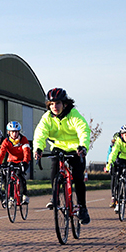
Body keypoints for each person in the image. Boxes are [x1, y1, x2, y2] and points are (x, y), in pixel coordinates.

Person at [33, 87, 92, 224]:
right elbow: (40, 134)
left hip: (75, 148)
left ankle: (82, 208)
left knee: (78, 178)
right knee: (55, 168)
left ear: (64, 103)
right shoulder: (47, 118)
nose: (54, 106)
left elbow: (83, 130)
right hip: (58, 148)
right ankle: (55, 197)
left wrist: (83, 146)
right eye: (51, 104)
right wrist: (38, 149)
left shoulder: (74, 115)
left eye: (57, 103)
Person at [0, 120, 32, 204]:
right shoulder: (6, 141)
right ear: (9, 132)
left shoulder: (23, 139)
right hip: (11, 160)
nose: (14, 134)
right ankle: (10, 197)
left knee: (20, 174)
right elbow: (1, 153)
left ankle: (25, 195)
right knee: (7, 176)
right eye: (12, 132)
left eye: (16, 132)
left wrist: (25, 162)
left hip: (23, 160)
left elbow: (26, 152)